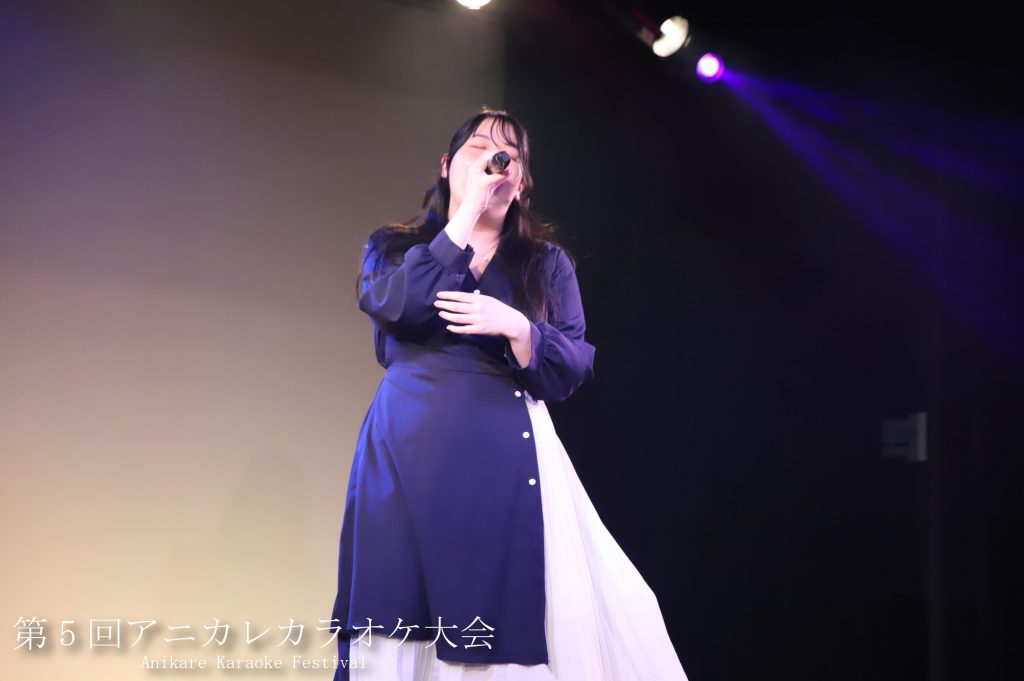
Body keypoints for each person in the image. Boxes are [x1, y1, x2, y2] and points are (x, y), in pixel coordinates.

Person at [330, 109, 689, 680]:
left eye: (508, 156)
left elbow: (571, 363)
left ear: (521, 183)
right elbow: (396, 307)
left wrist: (519, 328)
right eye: (478, 149)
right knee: (396, 604)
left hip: (507, 451)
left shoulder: (545, 263)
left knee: (521, 609)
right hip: (406, 447)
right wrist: (465, 216)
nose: (493, 163)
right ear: (446, 166)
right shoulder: (395, 247)